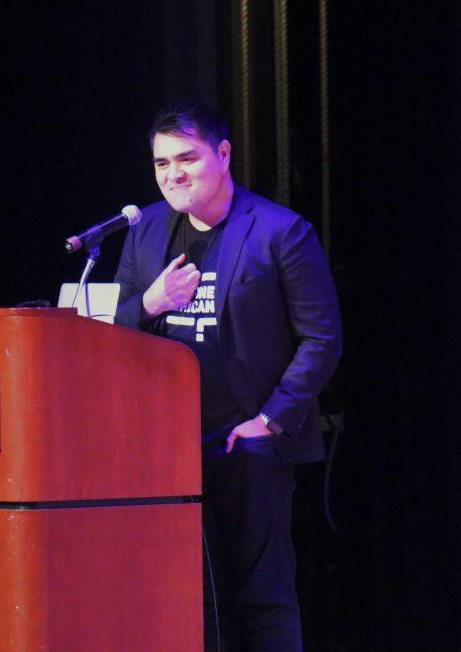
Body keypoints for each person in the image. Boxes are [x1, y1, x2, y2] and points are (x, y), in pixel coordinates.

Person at [114, 100, 342, 652]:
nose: (173, 174)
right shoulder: (145, 232)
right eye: (161, 163)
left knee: (263, 594)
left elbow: (322, 338)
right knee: (189, 595)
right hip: (166, 449)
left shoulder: (280, 232)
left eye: (186, 158)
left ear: (222, 154)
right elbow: (108, 319)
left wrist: (271, 420)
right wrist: (147, 303)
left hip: (247, 440)